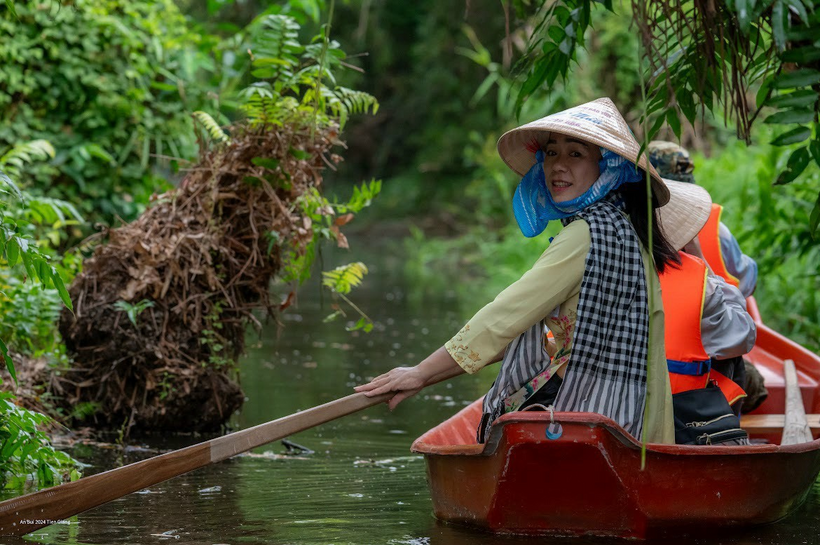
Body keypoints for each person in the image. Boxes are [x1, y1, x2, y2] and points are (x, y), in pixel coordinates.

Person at [356, 97, 682, 445]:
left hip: (588, 427)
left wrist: (420, 373)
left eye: (575, 154)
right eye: (552, 153)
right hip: (634, 424)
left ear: (610, 169)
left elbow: (505, 316)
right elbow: (542, 332)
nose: (557, 166)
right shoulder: (624, 231)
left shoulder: (586, 235)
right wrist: (428, 374)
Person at [648, 141, 767, 413]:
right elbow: (747, 285)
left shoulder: (617, 232)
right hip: (699, 381)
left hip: (648, 385)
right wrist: (706, 267)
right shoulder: (715, 231)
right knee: (749, 376)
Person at [655, 180, 756, 444]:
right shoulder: (699, 282)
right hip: (684, 411)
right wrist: (701, 263)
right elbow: (744, 335)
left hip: (627, 400)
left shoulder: (615, 263)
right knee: (738, 362)